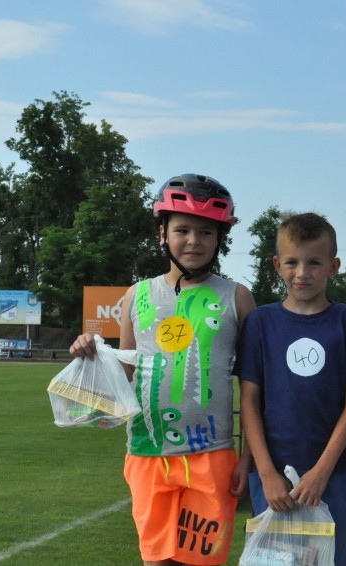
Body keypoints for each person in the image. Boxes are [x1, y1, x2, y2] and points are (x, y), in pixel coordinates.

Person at [70, 174, 256, 566]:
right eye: (183, 230)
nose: (194, 240)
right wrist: (89, 355)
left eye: (206, 232)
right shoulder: (135, 296)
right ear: (162, 234)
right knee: (156, 562)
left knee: (199, 563)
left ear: (220, 238)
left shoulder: (237, 298)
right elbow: (123, 374)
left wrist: (247, 457)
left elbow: (256, 388)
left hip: (211, 454)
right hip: (147, 452)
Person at [235, 212, 346, 565]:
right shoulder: (260, 323)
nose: (302, 273)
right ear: (277, 265)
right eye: (292, 262)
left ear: (333, 266)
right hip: (272, 479)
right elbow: (250, 402)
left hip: (336, 473)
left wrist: (322, 471)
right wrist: (266, 473)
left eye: (314, 263)